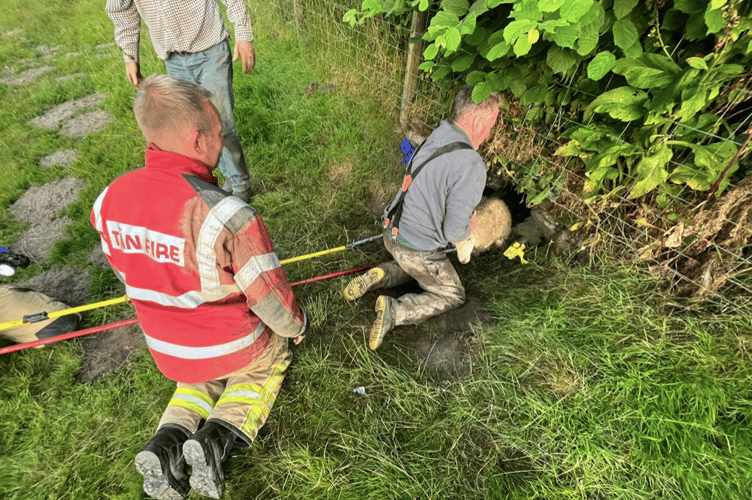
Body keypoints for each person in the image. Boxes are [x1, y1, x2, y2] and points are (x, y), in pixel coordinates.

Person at [90, 75, 307, 500]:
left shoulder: (109, 200)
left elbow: (128, 274)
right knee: (264, 362)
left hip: (172, 355)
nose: (223, 138)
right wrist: (297, 326)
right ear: (195, 140)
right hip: (232, 345)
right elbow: (272, 302)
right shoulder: (227, 214)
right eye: (217, 131)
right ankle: (213, 443)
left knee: (197, 381)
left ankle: (165, 446)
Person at [344, 86, 501, 351]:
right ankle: (396, 311)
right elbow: (454, 231)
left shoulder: (441, 134)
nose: (489, 133)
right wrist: (468, 236)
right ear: (477, 121)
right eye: (491, 125)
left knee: (419, 267)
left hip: (391, 231)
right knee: (452, 293)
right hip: (416, 250)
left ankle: (381, 274)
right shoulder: (471, 165)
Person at [106, 0, 256, 202]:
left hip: (210, 48)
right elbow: (122, 11)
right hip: (173, 58)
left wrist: (243, 34)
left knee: (220, 124)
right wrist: (130, 56)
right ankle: (208, 185)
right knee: (188, 129)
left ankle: (239, 185)